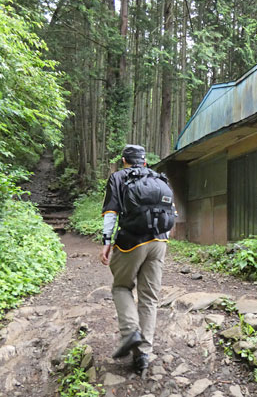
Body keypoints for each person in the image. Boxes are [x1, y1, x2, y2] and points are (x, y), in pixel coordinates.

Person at [99, 144, 169, 375]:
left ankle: (130, 332)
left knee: (121, 287)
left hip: (132, 242)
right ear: (145, 162)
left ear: (123, 161)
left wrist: (107, 242)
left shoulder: (118, 178)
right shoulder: (159, 178)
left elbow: (111, 212)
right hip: (160, 242)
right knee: (149, 297)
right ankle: (143, 355)